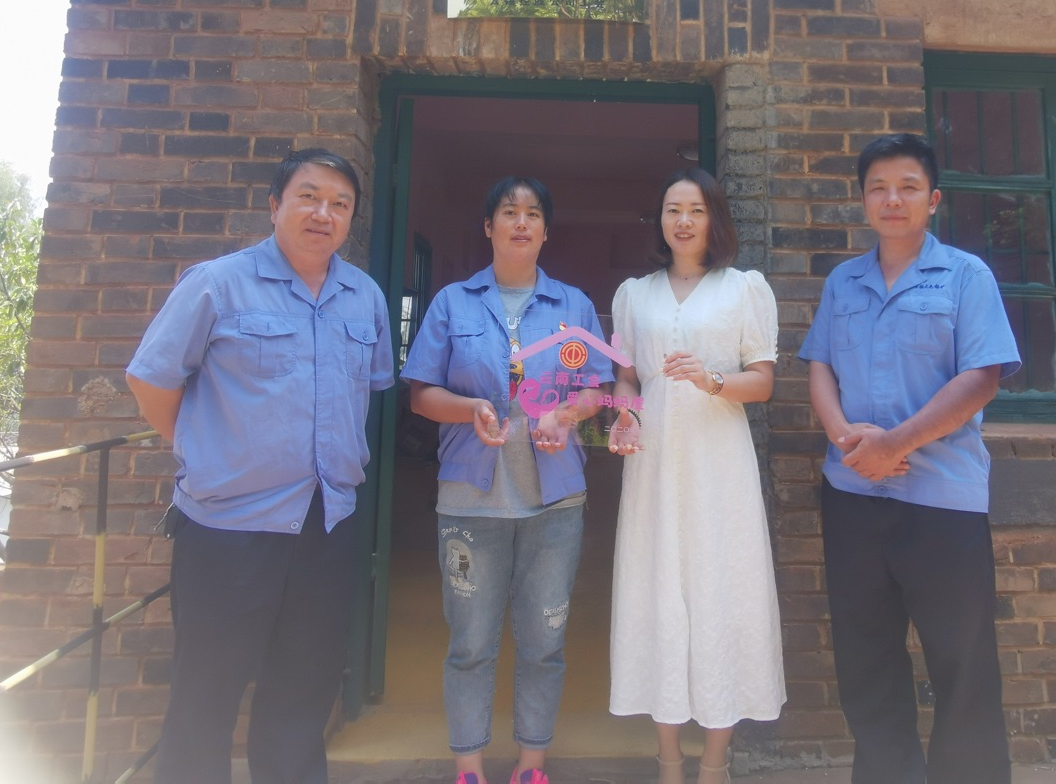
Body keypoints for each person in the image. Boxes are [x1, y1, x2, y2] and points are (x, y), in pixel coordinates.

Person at [124, 148, 395, 784]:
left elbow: (372, 387)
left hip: (327, 524)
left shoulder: (365, 297)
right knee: (204, 698)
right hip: (228, 528)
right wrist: (202, 450)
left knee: (303, 694)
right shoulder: (218, 284)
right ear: (275, 206)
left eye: (340, 204)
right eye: (309, 196)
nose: (323, 213)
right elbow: (151, 382)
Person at [798, 133, 1022, 784]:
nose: (892, 199)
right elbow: (819, 365)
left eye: (908, 187)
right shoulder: (843, 282)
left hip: (942, 500)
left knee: (963, 663)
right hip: (853, 498)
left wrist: (894, 445)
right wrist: (844, 437)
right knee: (866, 661)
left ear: (933, 200)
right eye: (878, 188)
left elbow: (981, 377)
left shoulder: (966, 276)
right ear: (863, 199)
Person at [400, 177, 610, 784]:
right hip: (470, 500)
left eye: (533, 213)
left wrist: (566, 413)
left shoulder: (572, 306)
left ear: (546, 231)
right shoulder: (453, 302)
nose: (521, 222)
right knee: (470, 641)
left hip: (555, 501)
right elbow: (421, 394)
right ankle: (468, 765)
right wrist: (469, 408)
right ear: (488, 227)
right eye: (508, 212)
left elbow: (597, 389)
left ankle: (531, 764)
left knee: (545, 639)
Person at [607, 167, 785, 784]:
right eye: (672, 209)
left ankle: (714, 762)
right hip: (653, 462)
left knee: (720, 588)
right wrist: (626, 414)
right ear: (659, 219)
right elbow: (626, 377)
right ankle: (668, 761)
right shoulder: (635, 295)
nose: (683, 221)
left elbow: (762, 382)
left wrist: (710, 379)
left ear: (714, 219)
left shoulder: (743, 289)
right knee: (655, 586)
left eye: (696, 210)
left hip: (719, 464)